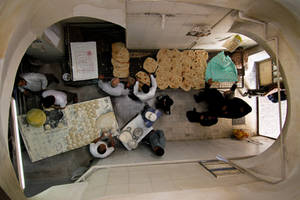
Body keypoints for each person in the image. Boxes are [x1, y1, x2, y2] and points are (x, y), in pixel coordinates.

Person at [187, 79, 252, 125]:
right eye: (242, 108)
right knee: (214, 92)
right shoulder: (239, 103)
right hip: (222, 102)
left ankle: (197, 114)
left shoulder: (238, 114)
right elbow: (231, 98)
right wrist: (234, 85)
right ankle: (200, 98)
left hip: (219, 110)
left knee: (211, 100)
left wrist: (224, 109)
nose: (241, 109)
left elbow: (225, 113)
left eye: (242, 110)